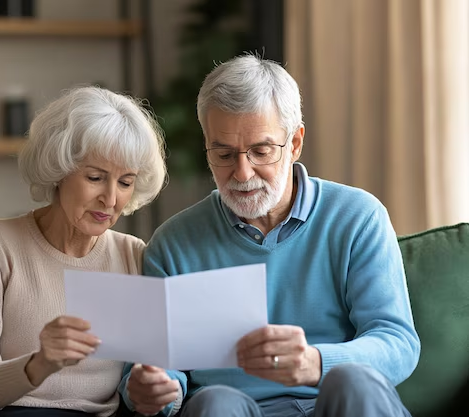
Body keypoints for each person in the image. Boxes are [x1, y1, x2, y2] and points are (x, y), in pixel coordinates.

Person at [119, 54, 420, 417]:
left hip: (335, 402)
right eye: (224, 154)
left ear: (294, 143)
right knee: (216, 401)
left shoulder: (357, 217)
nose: (242, 174)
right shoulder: (172, 245)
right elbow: (151, 373)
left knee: (351, 380)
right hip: (233, 409)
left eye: (261, 151)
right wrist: (154, 390)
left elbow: (397, 343)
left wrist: (317, 362)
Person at [0, 86, 167, 417]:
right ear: (59, 169)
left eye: (125, 182)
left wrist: (157, 389)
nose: (111, 199)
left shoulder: (134, 256)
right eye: (96, 177)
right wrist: (42, 363)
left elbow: (146, 375)